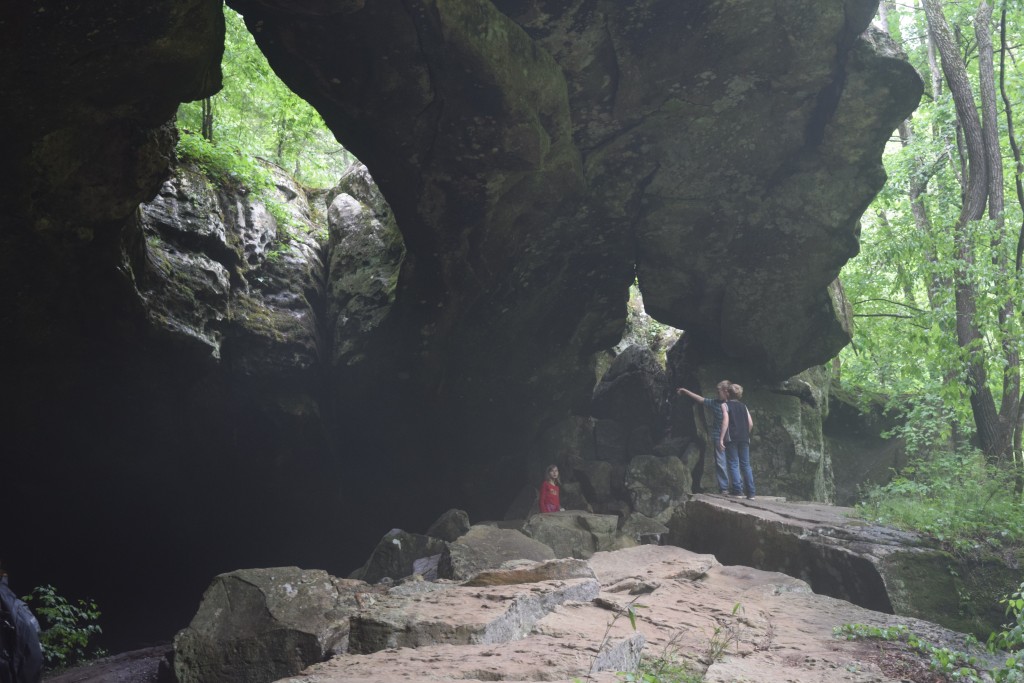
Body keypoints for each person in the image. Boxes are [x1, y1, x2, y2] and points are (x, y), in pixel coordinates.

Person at [677, 381, 732, 494]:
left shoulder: (734, 404)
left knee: (733, 461)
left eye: (719, 391)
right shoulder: (715, 403)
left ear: (726, 391)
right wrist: (685, 391)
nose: (717, 394)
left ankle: (736, 487)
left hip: (732, 437)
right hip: (718, 436)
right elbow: (701, 399)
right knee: (721, 462)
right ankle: (724, 488)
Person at [724, 383, 755, 499]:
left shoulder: (726, 405)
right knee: (746, 465)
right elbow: (750, 423)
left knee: (733, 463)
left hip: (732, 438)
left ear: (728, 393)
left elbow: (726, 422)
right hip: (744, 438)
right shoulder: (744, 406)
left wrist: (722, 437)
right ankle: (751, 493)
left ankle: (738, 491)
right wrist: (746, 433)